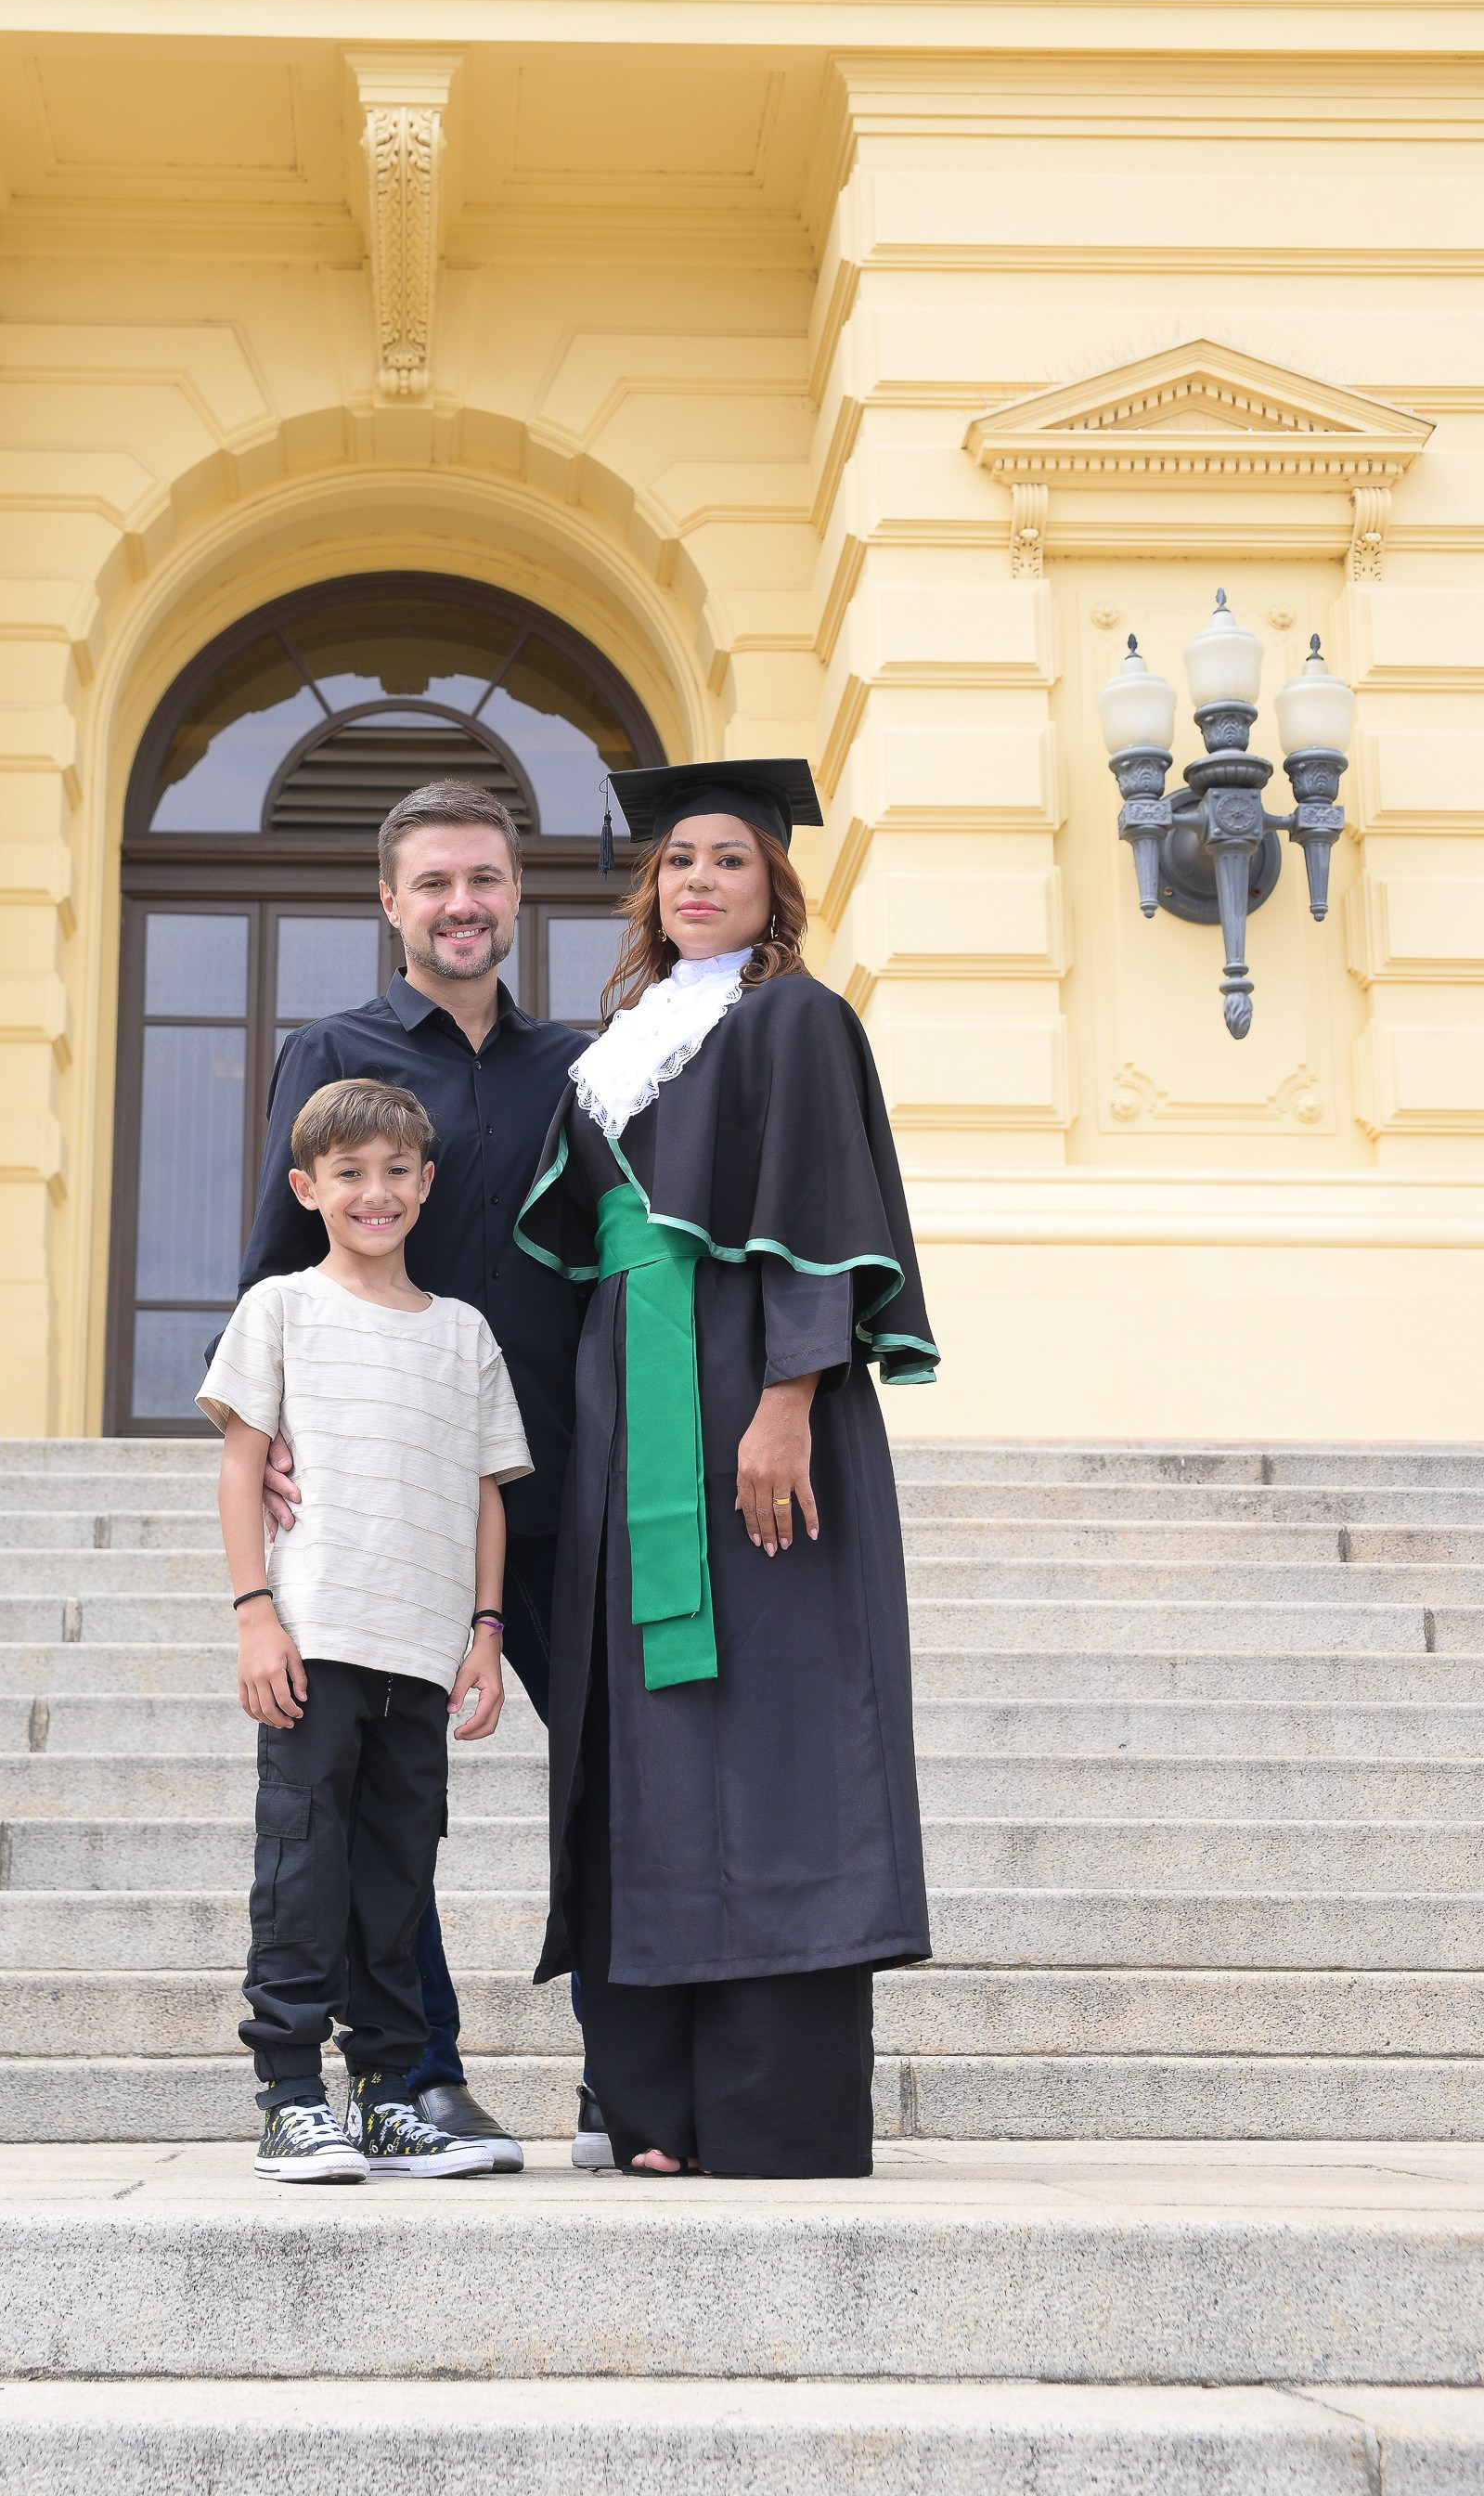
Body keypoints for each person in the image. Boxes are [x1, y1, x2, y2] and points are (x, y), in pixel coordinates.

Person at [516, 757, 937, 2179]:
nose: (696, 879)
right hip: (627, 1402)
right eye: (678, 860)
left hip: (741, 1396)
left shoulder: (796, 1020)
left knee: (769, 1738)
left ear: (774, 891)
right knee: (638, 1733)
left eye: (729, 862)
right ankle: (650, 2106)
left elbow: (819, 1205)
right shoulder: (623, 1038)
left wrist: (786, 1403)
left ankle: (766, 2109)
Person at [232, 779, 603, 2171]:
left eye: (486, 882)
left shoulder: (576, 1064)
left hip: (552, 1473)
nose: (463, 906)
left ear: (517, 896)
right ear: (390, 903)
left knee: (605, 1772)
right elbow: (279, 1256)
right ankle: (415, 2076)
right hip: (381, 1499)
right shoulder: (333, 1050)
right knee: (389, 1795)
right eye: (435, 884)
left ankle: (626, 2068)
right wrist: (266, 1443)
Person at [200, 1075, 533, 2183]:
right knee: (301, 1864)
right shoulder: (282, 1309)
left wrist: (484, 1633)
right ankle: (290, 2097)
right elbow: (242, 1466)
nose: (375, 1192)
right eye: (349, 1174)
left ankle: (390, 2094)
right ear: (307, 1188)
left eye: (396, 1172)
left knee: (396, 1877)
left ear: (427, 1184)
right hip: (313, 1637)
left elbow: (490, 1490)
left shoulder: (464, 1334)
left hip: (421, 1652)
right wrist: (255, 1615)